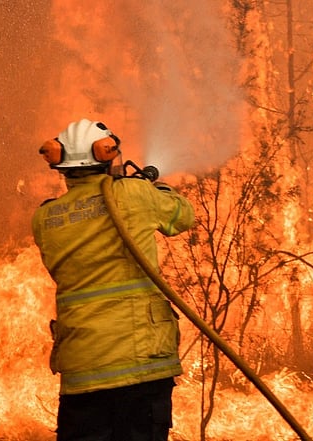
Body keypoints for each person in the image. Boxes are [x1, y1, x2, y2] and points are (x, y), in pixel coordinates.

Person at [32, 119, 196, 441]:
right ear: (107, 157)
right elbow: (182, 216)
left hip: (83, 372)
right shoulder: (134, 194)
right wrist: (155, 187)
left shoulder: (44, 218)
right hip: (142, 366)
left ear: (62, 167)